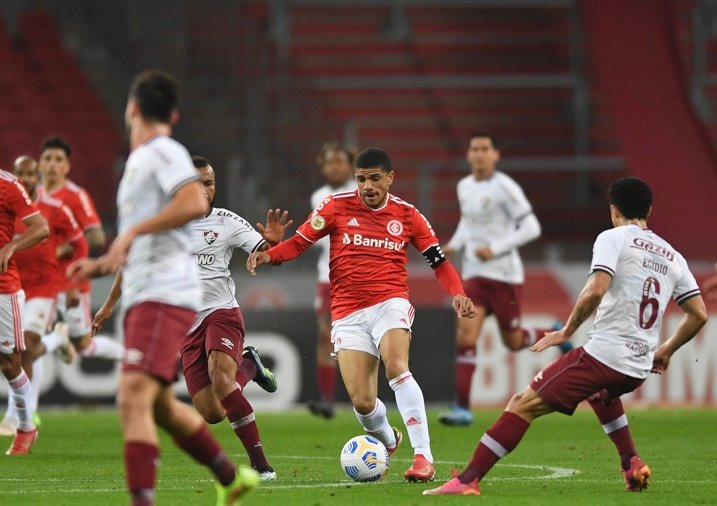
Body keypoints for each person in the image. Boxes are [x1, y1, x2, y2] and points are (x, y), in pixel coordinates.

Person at [424, 176, 708, 496]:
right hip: (638, 366)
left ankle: (467, 480)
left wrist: (567, 331)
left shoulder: (613, 238)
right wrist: (667, 350)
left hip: (605, 355)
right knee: (602, 393)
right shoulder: (673, 256)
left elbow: (595, 289)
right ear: (650, 210)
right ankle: (631, 462)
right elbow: (699, 313)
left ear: (614, 210)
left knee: (522, 403)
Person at [67, 70, 258, 505]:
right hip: (143, 293)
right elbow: (150, 233)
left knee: (130, 397)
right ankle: (231, 478)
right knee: (157, 405)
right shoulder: (140, 162)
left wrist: (131, 236)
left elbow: (193, 201)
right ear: (172, 113)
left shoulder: (163, 151)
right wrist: (106, 261)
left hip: (163, 293)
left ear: (131, 108)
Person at [247, 147, 477, 482]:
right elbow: (299, 243)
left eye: (374, 178)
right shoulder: (336, 206)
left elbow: (439, 262)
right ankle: (389, 439)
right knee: (363, 402)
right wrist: (268, 256)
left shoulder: (408, 215)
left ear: (389, 178)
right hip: (346, 312)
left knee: (397, 367)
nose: (367, 185)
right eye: (361, 179)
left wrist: (458, 294)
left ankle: (423, 457)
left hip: (390, 302)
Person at [93, 155, 289, 481]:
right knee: (212, 412)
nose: (203, 189)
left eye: (209, 183)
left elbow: (265, 252)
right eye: (195, 183)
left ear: (215, 186)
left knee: (222, 379)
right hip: (185, 322)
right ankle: (250, 365)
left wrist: (272, 247)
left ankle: (261, 466)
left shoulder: (225, 221)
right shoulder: (162, 224)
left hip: (221, 312)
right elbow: (132, 264)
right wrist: (109, 304)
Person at [439, 132, 571, 427]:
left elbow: (532, 227)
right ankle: (462, 407)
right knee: (465, 335)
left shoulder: (505, 187)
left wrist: (495, 249)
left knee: (511, 341)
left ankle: (551, 330)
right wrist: (454, 244)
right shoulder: (464, 186)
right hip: (473, 276)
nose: (480, 154)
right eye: (475, 148)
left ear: (495, 155)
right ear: (468, 155)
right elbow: (468, 222)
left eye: (485, 149)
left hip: (504, 277)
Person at [0, 156, 86, 436]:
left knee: (22, 352)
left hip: (42, 287)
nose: (25, 178)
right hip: (19, 280)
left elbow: (81, 243)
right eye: (20, 172)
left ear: (37, 177)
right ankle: (57, 339)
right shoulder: (13, 205)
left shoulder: (51, 207)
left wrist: (73, 279)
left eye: (30, 173)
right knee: (20, 352)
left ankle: (15, 420)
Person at [38, 136, 125, 363]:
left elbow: (96, 237)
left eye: (58, 159)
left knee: (84, 347)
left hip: (69, 281)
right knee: (31, 342)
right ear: (39, 164)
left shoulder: (75, 196)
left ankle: (130, 357)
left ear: (67, 167)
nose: (52, 164)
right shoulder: (32, 197)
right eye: (47, 158)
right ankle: (57, 339)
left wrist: (61, 249)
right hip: (39, 280)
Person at [0, 168, 49, 454]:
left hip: (3, 288)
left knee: (9, 363)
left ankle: (25, 427)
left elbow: (41, 227)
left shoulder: (8, 185)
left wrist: (11, 247)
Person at [307, 142, 356, 419]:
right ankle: (327, 400)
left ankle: (365, 396)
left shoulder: (360, 192)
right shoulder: (319, 197)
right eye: (331, 162)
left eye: (340, 161)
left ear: (349, 165)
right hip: (327, 278)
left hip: (357, 275)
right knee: (326, 337)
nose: (336, 167)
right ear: (323, 167)